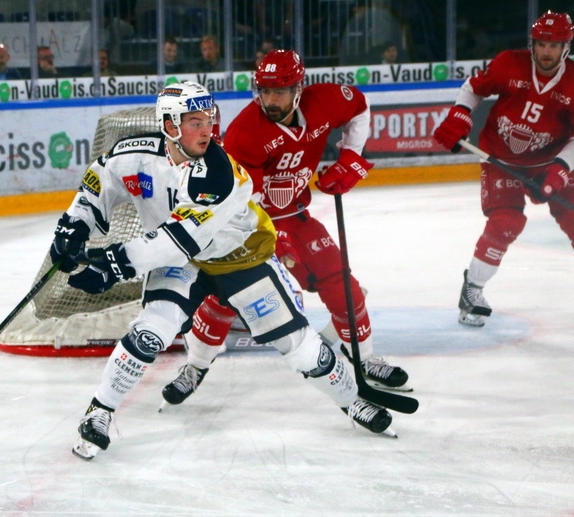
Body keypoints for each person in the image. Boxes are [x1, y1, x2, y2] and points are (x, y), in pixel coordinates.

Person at [49, 81, 396, 460]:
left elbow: (178, 238)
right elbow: (98, 182)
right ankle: (99, 411)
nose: (208, 130)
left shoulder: (220, 175)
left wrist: (114, 264)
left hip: (239, 256)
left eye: (209, 120)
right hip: (180, 263)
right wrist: (75, 226)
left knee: (299, 346)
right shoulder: (132, 155)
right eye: (195, 122)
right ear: (169, 125)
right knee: (150, 333)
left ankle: (351, 401)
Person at [160, 50, 411, 408]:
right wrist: (277, 246)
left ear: (299, 88)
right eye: (264, 91)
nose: (270, 100)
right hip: (245, 226)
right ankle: (196, 365)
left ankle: (365, 357)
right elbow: (247, 205)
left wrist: (351, 157)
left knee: (340, 279)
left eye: (279, 92)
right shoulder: (246, 132)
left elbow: (359, 107)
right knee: (225, 297)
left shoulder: (325, 101)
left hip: (295, 214)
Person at [433, 11, 574, 327]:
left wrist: (559, 172)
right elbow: (473, 87)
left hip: (550, 161)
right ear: (532, 44)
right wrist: (459, 117)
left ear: (566, 47)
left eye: (554, 45)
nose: (546, 52)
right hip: (501, 161)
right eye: (541, 44)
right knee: (506, 221)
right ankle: (473, 290)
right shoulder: (509, 63)